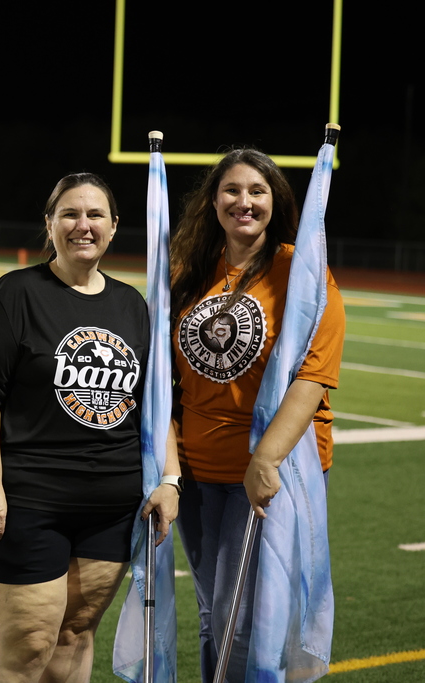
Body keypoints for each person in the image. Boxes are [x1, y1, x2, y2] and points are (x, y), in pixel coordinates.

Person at [0, 172, 181, 683]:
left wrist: (170, 478)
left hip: (111, 504)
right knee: (26, 646)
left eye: (95, 215)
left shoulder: (132, 305)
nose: (83, 225)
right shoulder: (17, 294)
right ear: (50, 223)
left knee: (74, 638)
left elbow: (156, 404)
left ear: (114, 226)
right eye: (70, 214)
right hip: (28, 499)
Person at [169, 149, 345, 682]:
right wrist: (171, 467)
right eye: (231, 190)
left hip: (269, 473)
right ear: (214, 200)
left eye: (257, 191)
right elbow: (170, 381)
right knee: (213, 617)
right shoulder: (190, 271)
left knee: (241, 622)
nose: (243, 201)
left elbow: (313, 376)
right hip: (200, 474)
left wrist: (264, 460)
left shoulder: (302, 272)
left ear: (276, 202)